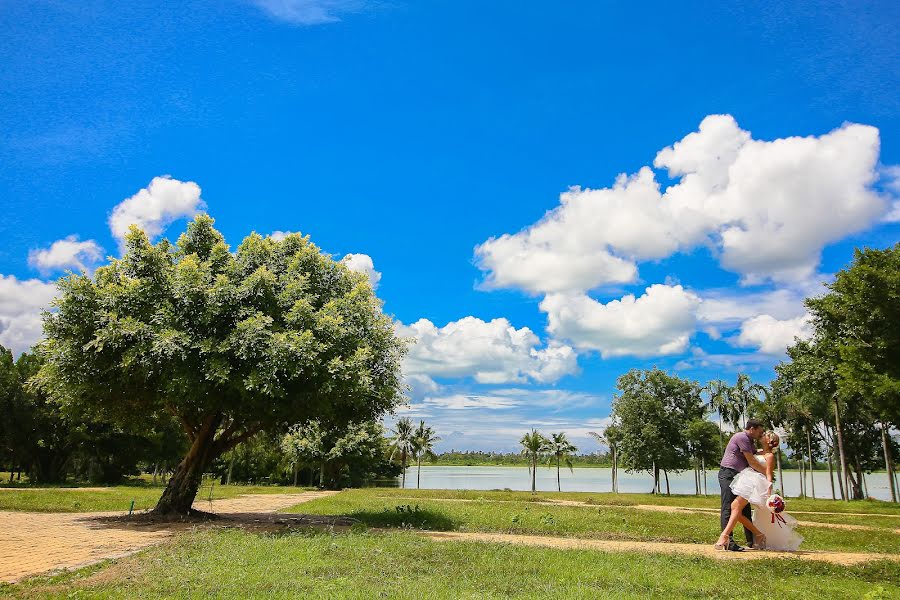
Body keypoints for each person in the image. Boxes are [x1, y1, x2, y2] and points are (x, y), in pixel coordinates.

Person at [715, 431, 803, 551]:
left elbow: (769, 475)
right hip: (746, 480)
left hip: (756, 483)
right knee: (736, 509)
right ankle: (758, 534)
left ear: (768, 440)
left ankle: (724, 537)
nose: (762, 435)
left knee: (735, 507)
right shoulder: (757, 451)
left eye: (765, 435)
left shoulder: (769, 456)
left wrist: (768, 492)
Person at [716, 419, 766, 551]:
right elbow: (752, 461)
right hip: (728, 473)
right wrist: (766, 474)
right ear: (752, 429)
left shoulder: (750, 441)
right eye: (760, 431)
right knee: (728, 507)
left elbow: (755, 454)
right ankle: (728, 542)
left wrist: (768, 449)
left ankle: (752, 541)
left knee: (745, 509)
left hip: (740, 476)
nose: (761, 434)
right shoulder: (742, 437)